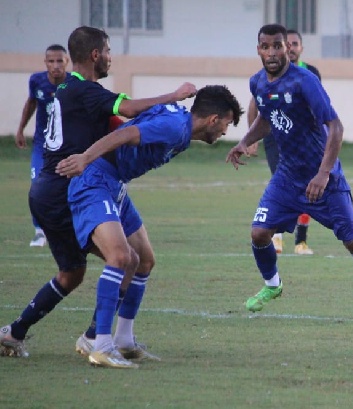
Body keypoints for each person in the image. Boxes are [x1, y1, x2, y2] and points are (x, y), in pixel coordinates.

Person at [0, 26, 196, 361]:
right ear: (95, 54)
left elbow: (117, 122)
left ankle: (16, 333)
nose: (110, 57)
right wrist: (174, 96)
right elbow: (130, 109)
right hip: (64, 188)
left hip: (65, 185)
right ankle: (96, 338)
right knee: (123, 260)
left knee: (83, 271)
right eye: (107, 51)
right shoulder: (85, 91)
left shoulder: (72, 90)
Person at [52, 84, 243, 369]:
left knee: (144, 261)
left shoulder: (177, 119)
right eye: (227, 123)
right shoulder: (175, 127)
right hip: (95, 179)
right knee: (120, 257)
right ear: (213, 119)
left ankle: (124, 341)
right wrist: (84, 158)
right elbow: (125, 133)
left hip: (114, 183)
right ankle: (100, 345)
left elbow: (132, 119)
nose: (226, 131)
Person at [226, 24, 353, 323]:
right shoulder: (257, 84)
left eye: (279, 45)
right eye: (267, 46)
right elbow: (267, 117)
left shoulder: (305, 82)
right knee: (259, 232)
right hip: (288, 177)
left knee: (352, 240)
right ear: (259, 49)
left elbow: (336, 127)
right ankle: (272, 286)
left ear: (287, 48)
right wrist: (244, 141)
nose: (274, 52)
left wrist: (323, 174)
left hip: (324, 180)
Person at [247, 29, 320, 256]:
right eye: (288, 44)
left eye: (296, 43)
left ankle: (301, 241)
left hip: (304, 142)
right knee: (283, 183)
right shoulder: (268, 74)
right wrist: (251, 139)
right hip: (276, 137)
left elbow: (319, 107)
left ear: (300, 48)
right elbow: (255, 105)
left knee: (307, 186)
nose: (292, 47)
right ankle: (276, 237)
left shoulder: (310, 73)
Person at [15, 44, 70, 247]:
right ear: (45, 62)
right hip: (42, 145)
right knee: (38, 185)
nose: (55, 65)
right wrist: (21, 129)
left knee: (68, 188)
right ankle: (39, 231)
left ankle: (68, 230)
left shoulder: (73, 83)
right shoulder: (36, 81)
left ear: (67, 62)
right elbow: (31, 103)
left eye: (60, 61)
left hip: (67, 146)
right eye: (51, 61)